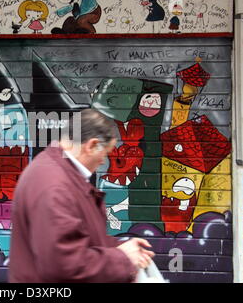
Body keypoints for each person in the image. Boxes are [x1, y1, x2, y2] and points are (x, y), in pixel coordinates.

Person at [9, 108, 155, 283]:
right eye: (105, 153)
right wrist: (123, 258)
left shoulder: (58, 173)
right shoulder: (55, 186)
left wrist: (120, 248)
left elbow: (78, 239)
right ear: (91, 145)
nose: (103, 161)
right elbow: (64, 265)